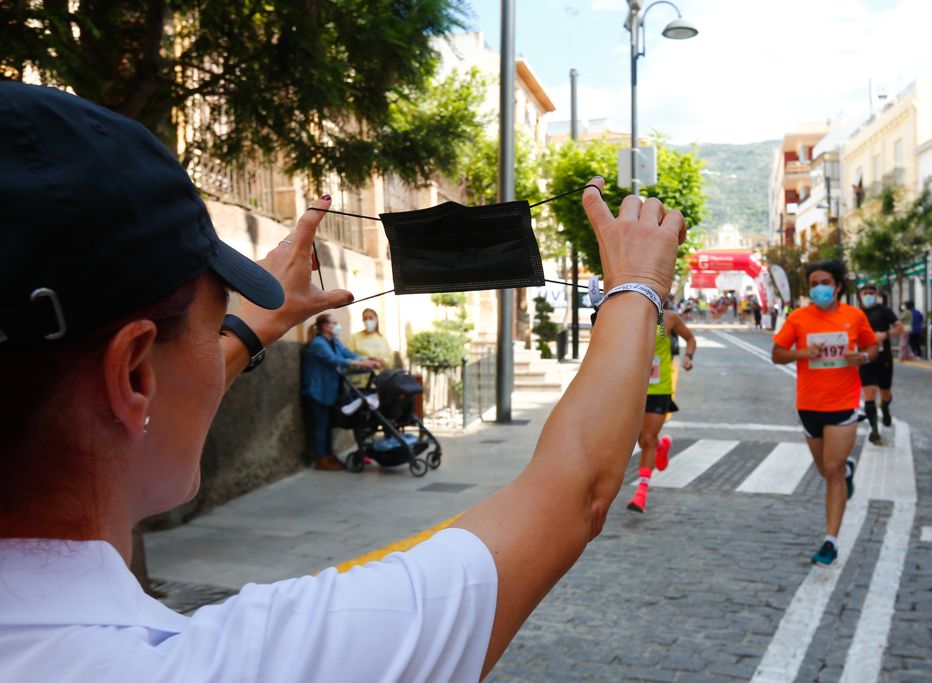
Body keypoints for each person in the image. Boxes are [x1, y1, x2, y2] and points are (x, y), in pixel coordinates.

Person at [0, 83, 688, 682]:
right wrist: (636, 284)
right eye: (211, 329)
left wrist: (247, 332)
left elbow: (134, 420)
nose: (220, 347)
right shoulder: (239, 663)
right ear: (134, 373)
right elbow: (576, 491)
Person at [772, 260, 878, 566]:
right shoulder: (799, 317)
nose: (819, 289)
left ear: (838, 286)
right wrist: (801, 352)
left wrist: (862, 357)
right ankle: (847, 471)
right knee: (826, 470)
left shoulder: (854, 316)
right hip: (809, 405)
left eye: (825, 283)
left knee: (831, 469)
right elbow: (777, 354)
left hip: (843, 403)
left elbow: (872, 348)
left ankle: (830, 541)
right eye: (814, 284)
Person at [626, 310, 697, 513]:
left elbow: (690, 339)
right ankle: (662, 447)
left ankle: (641, 493)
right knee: (642, 440)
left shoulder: (669, 318)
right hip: (633, 388)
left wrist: (688, 357)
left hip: (659, 388)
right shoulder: (630, 314)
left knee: (648, 439)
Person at [302, 313, 380, 470]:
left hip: (328, 391)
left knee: (327, 426)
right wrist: (360, 364)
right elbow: (334, 360)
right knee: (320, 426)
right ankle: (321, 459)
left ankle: (329, 455)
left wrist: (365, 360)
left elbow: (346, 353)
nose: (338, 326)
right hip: (317, 391)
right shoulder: (318, 343)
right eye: (334, 323)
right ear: (325, 326)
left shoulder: (334, 341)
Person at [857, 284, 902, 445]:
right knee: (869, 393)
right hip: (865, 358)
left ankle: (885, 406)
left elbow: (900, 328)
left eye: (872, 293)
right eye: (865, 293)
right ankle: (874, 430)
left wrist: (885, 334)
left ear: (876, 295)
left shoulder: (884, 311)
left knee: (885, 392)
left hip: (884, 359)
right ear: (860, 295)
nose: (868, 295)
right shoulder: (857, 313)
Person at [348, 307, 393, 388]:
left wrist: (382, 361)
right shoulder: (354, 338)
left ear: (376, 319)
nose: (368, 321)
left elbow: (390, 359)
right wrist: (365, 361)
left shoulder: (382, 339)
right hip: (359, 385)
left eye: (370, 318)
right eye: (365, 319)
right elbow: (347, 358)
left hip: (380, 383)